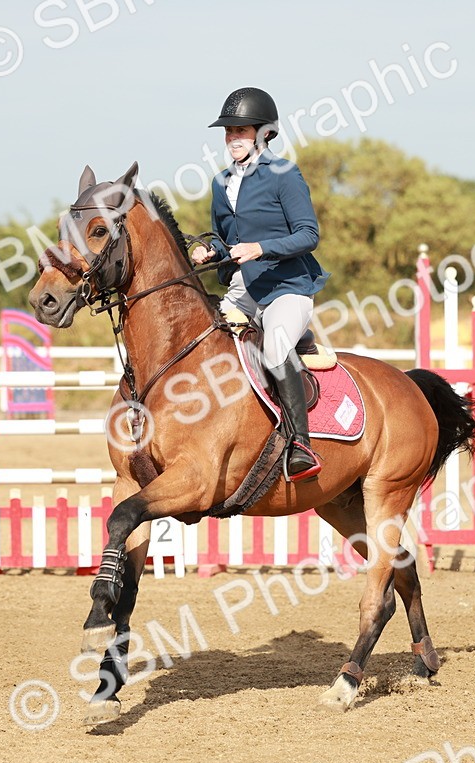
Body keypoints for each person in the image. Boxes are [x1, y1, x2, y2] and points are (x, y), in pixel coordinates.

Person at [189, 87, 330, 483]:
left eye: (241, 130)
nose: (233, 138)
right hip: (242, 291)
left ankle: (300, 444)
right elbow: (225, 239)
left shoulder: (284, 174)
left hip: (287, 287)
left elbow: (308, 235)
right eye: (229, 131)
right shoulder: (220, 182)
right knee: (201, 341)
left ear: (264, 133)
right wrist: (210, 251)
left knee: (276, 347)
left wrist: (261, 248)